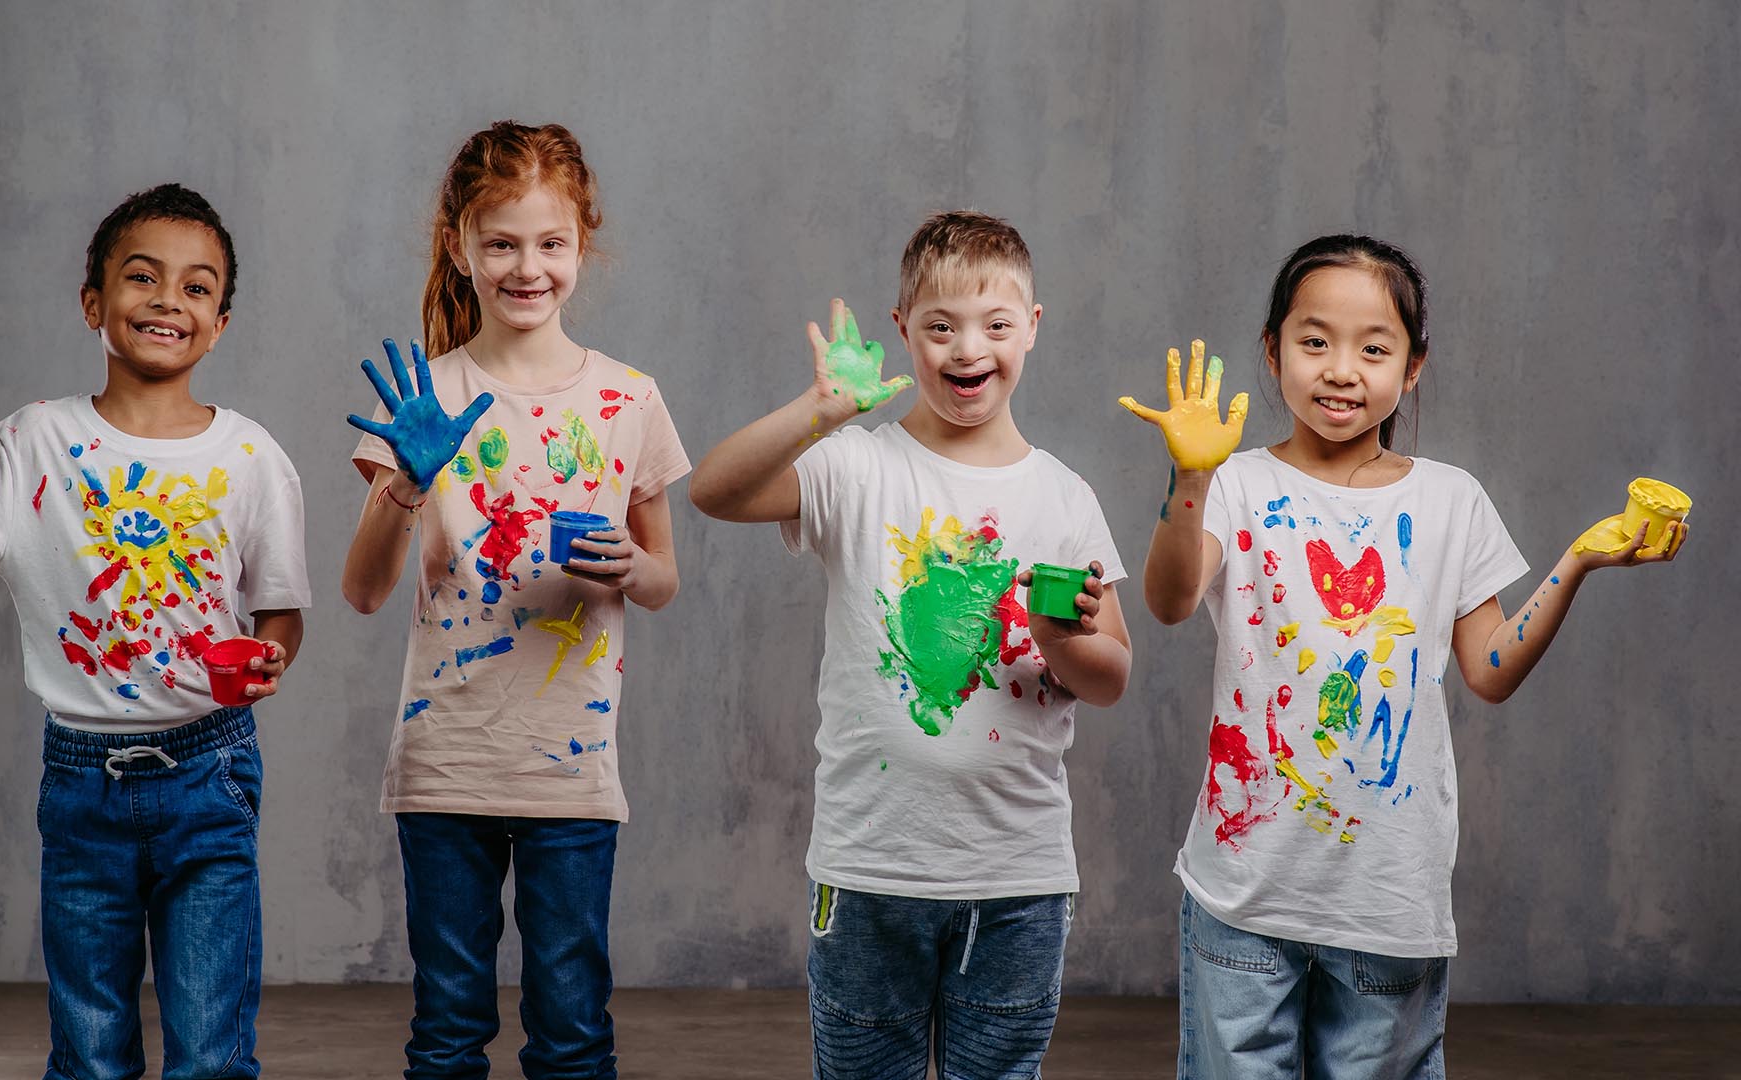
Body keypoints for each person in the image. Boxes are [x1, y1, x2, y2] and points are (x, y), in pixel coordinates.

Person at [1121, 233, 1687, 1079]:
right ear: (1272, 352)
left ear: (1412, 366)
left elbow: (1489, 671)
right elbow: (1167, 602)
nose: (1342, 370)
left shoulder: (1451, 499)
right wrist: (1188, 479)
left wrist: (1577, 562)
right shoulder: (1237, 483)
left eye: (1373, 348)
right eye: (1314, 342)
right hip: (1244, 890)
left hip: (1388, 894)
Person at [0, 182, 309, 1080]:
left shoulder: (252, 457)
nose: (167, 301)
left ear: (219, 323)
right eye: (142, 277)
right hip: (81, 780)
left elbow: (278, 611)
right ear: (93, 303)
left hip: (211, 769)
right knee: (90, 1052)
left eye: (197, 288)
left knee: (212, 1054)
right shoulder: (33, 441)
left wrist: (270, 656)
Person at [689, 209, 1134, 1079]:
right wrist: (816, 412)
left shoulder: (1065, 497)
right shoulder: (857, 466)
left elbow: (1112, 675)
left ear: (1031, 330)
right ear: (904, 332)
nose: (969, 349)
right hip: (870, 868)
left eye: (995, 325)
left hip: (1018, 877)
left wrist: (1057, 637)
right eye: (941, 326)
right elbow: (715, 491)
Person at [341, 120, 689, 1080]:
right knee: (448, 1030)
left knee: (573, 1030)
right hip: (446, 761)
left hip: (569, 773)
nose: (525, 267)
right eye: (500, 243)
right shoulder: (428, 396)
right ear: (460, 246)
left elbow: (664, 582)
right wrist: (405, 484)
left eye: (550, 243)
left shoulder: (629, 400)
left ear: (583, 245)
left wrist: (629, 566)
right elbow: (363, 591)